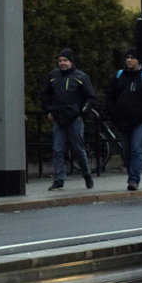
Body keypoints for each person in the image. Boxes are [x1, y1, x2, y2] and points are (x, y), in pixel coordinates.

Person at [40, 48, 96, 191]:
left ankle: (87, 175)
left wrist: (81, 113)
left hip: (74, 118)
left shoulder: (81, 77)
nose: (62, 63)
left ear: (71, 62)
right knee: (57, 149)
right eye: (60, 60)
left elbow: (89, 97)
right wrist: (49, 110)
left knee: (78, 149)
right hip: (58, 118)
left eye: (65, 60)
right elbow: (45, 94)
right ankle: (59, 179)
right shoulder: (53, 76)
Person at [107, 49, 142, 191]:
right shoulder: (119, 76)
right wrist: (114, 113)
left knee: (136, 150)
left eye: (132, 58)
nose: (129, 60)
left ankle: (134, 179)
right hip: (122, 120)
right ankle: (131, 174)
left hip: (139, 121)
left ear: (138, 60)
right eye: (127, 57)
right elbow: (110, 96)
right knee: (126, 152)